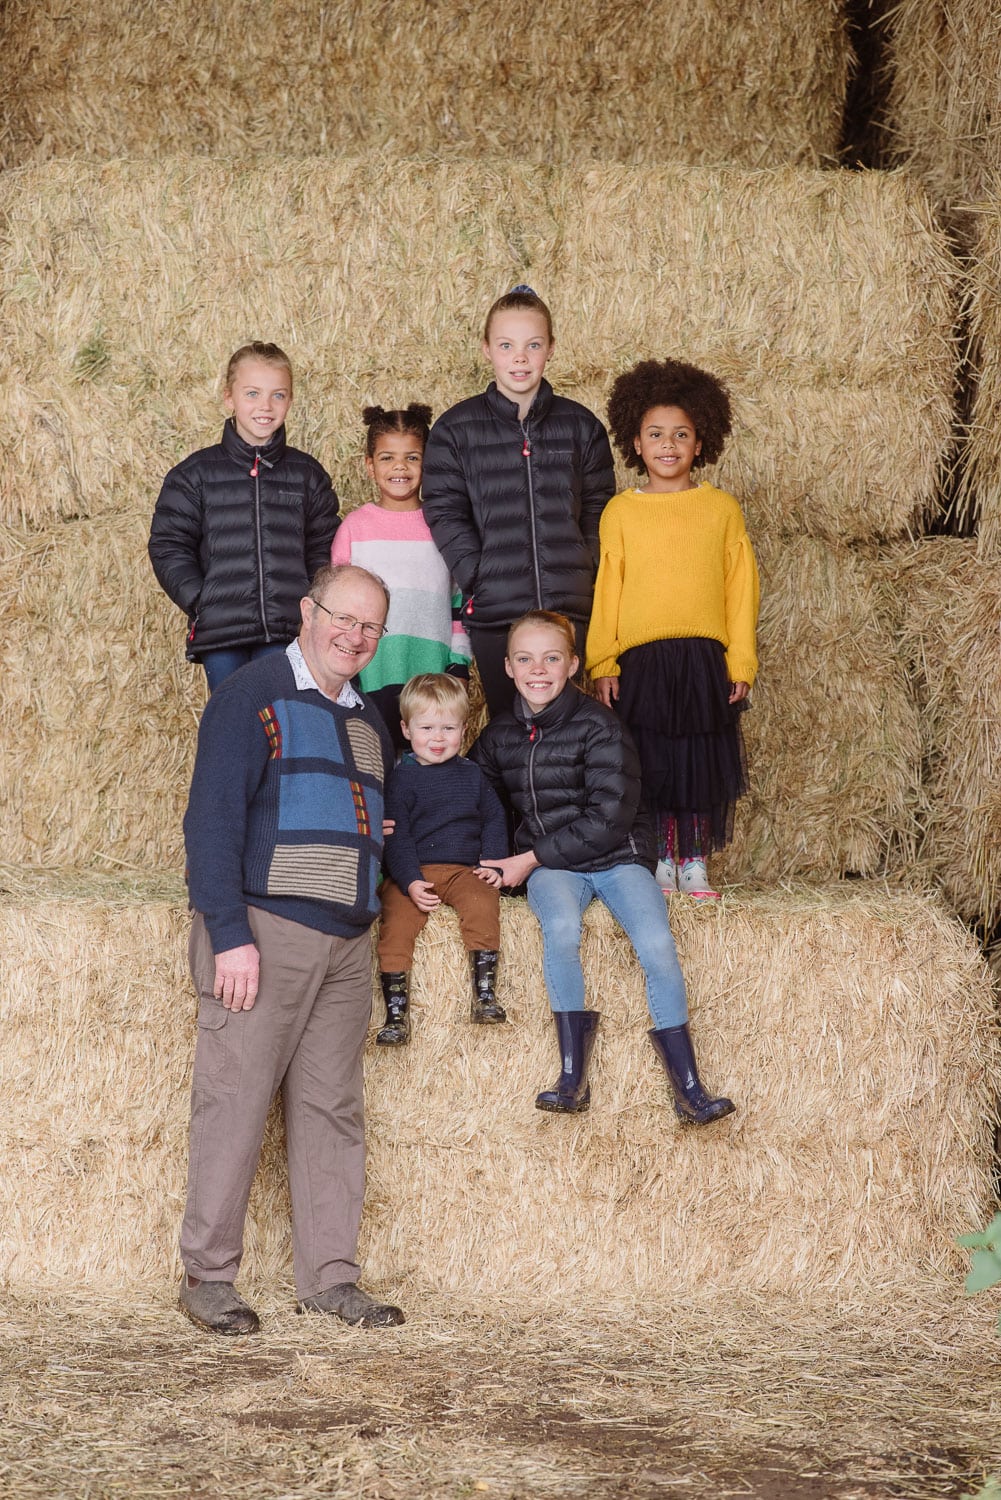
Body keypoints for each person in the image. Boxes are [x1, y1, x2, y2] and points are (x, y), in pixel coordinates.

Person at [177, 563, 404, 1337]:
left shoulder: (371, 718)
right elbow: (210, 820)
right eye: (344, 618)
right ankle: (208, 1277)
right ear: (308, 611)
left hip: (346, 943)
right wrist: (229, 935)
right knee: (234, 1104)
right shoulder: (253, 693)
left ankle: (331, 1280)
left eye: (371, 627)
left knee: (331, 1110)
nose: (356, 636)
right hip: (264, 933)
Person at [473, 611, 734, 1125]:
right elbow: (474, 796)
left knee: (656, 941)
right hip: (556, 870)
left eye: (551, 658)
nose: (538, 669)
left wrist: (528, 858)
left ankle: (689, 1088)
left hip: (614, 860)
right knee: (562, 930)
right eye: (525, 659)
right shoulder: (499, 735)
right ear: (507, 666)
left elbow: (610, 819)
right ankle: (572, 1077)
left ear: (573, 664)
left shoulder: (601, 726)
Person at [587, 358, 759, 900]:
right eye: (656, 434)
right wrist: (603, 661)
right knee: (652, 761)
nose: (668, 444)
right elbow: (608, 588)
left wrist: (742, 661)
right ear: (635, 442)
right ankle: (659, 859)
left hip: (702, 658)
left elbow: (741, 587)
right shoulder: (620, 512)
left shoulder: (720, 509)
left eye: (681, 434)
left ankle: (694, 863)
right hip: (642, 661)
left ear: (700, 440)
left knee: (698, 762)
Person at [421, 286, 615, 718]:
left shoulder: (582, 427)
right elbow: (443, 509)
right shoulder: (455, 430)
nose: (520, 358)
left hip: (570, 610)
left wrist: (587, 567)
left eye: (533, 345)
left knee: (570, 734)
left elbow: (601, 507)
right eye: (507, 345)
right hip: (497, 614)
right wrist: (478, 575)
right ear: (487, 349)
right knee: (509, 734)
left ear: (550, 348)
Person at [149, 341, 340, 693]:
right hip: (223, 632)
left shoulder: (306, 474)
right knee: (234, 721)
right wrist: (201, 599)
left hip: (287, 628)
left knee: (280, 722)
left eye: (278, 395)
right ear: (229, 398)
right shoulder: (195, 474)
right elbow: (169, 545)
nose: (265, 406)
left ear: (291, 400)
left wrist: (310, 604)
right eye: (252, 393)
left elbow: (324, 545)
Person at [376, 673, 509, 1044]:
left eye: (448, 728)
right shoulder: (400, 779)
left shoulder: (472, 774)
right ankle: (396, 1014)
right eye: (427, 727)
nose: (438, 737)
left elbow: (494, 817)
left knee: (483, 903)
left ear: (464, 729)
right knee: (396, 925)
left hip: (462, 870)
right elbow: (396, 835)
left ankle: (484, 995)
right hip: (414, 871)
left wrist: (493, 862)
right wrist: (410, 880)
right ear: (406, 729)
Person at [331, 404, 471, 753]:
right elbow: (336, 608)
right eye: (387, 458)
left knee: (424, 769)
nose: (399, 467)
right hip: (370, 674)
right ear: (369, 464)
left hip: (432, 679)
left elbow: (460, 602)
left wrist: (459, 665)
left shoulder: (442, 525)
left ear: (428, 463)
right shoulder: (354, 529)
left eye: (412, 457)